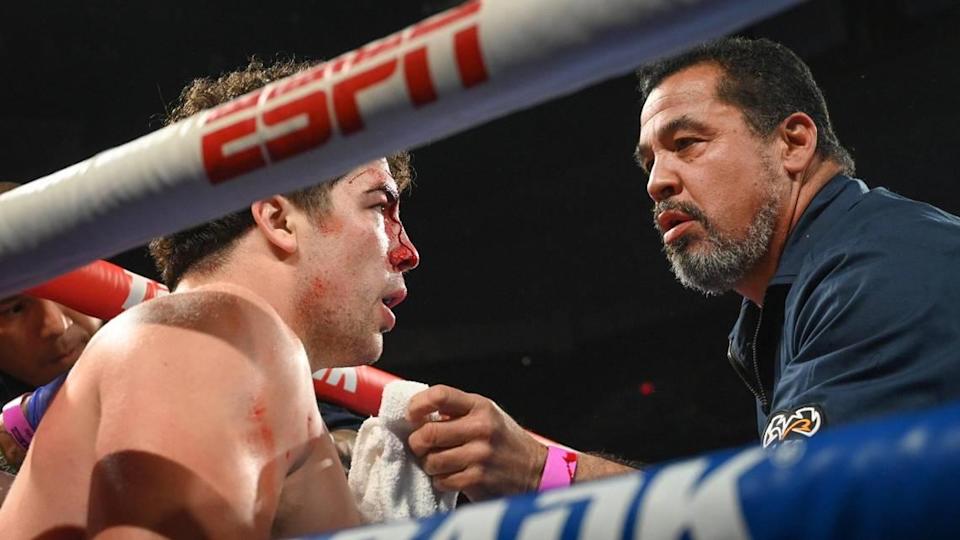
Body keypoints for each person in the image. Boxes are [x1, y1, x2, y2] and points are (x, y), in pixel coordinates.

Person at [405, 36, 960, 499]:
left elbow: (792, 518)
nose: (656, 182)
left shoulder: (878, 270)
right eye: (649, 161)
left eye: (686, 143)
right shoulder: (793, 296)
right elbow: (766, 506)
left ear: (793, 142)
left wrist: (540, 470)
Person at [0, 59, 420, 537]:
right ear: (280, 221)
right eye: (378, 206)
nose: (407, 252)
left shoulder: (254, 365)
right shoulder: (216, 334)